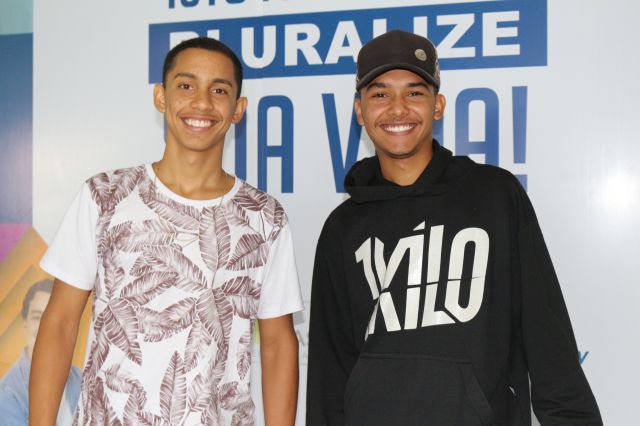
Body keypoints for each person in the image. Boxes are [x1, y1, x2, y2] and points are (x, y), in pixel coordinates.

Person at [306, 30, 602, 425]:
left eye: (414, 92)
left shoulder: (496, 196)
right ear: (360, 111)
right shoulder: (341, 227)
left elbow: (549, 341)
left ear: (438, 105)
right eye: (380, 94)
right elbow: (329, 373)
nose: (398, 109)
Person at [30, 37, 303, 425]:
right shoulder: (106, 195)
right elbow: (59, 322)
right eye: (186, 86)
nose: (202, 103)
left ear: (238, 108)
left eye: (219, 90)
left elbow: (277, 344)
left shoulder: (264, 217)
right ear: (161, 97)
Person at [0, 279, 81, 425]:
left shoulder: (82, 378)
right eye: (37, 317)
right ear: (25, 323)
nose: (45, 328)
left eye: (53, 319)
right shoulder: (8, 394)